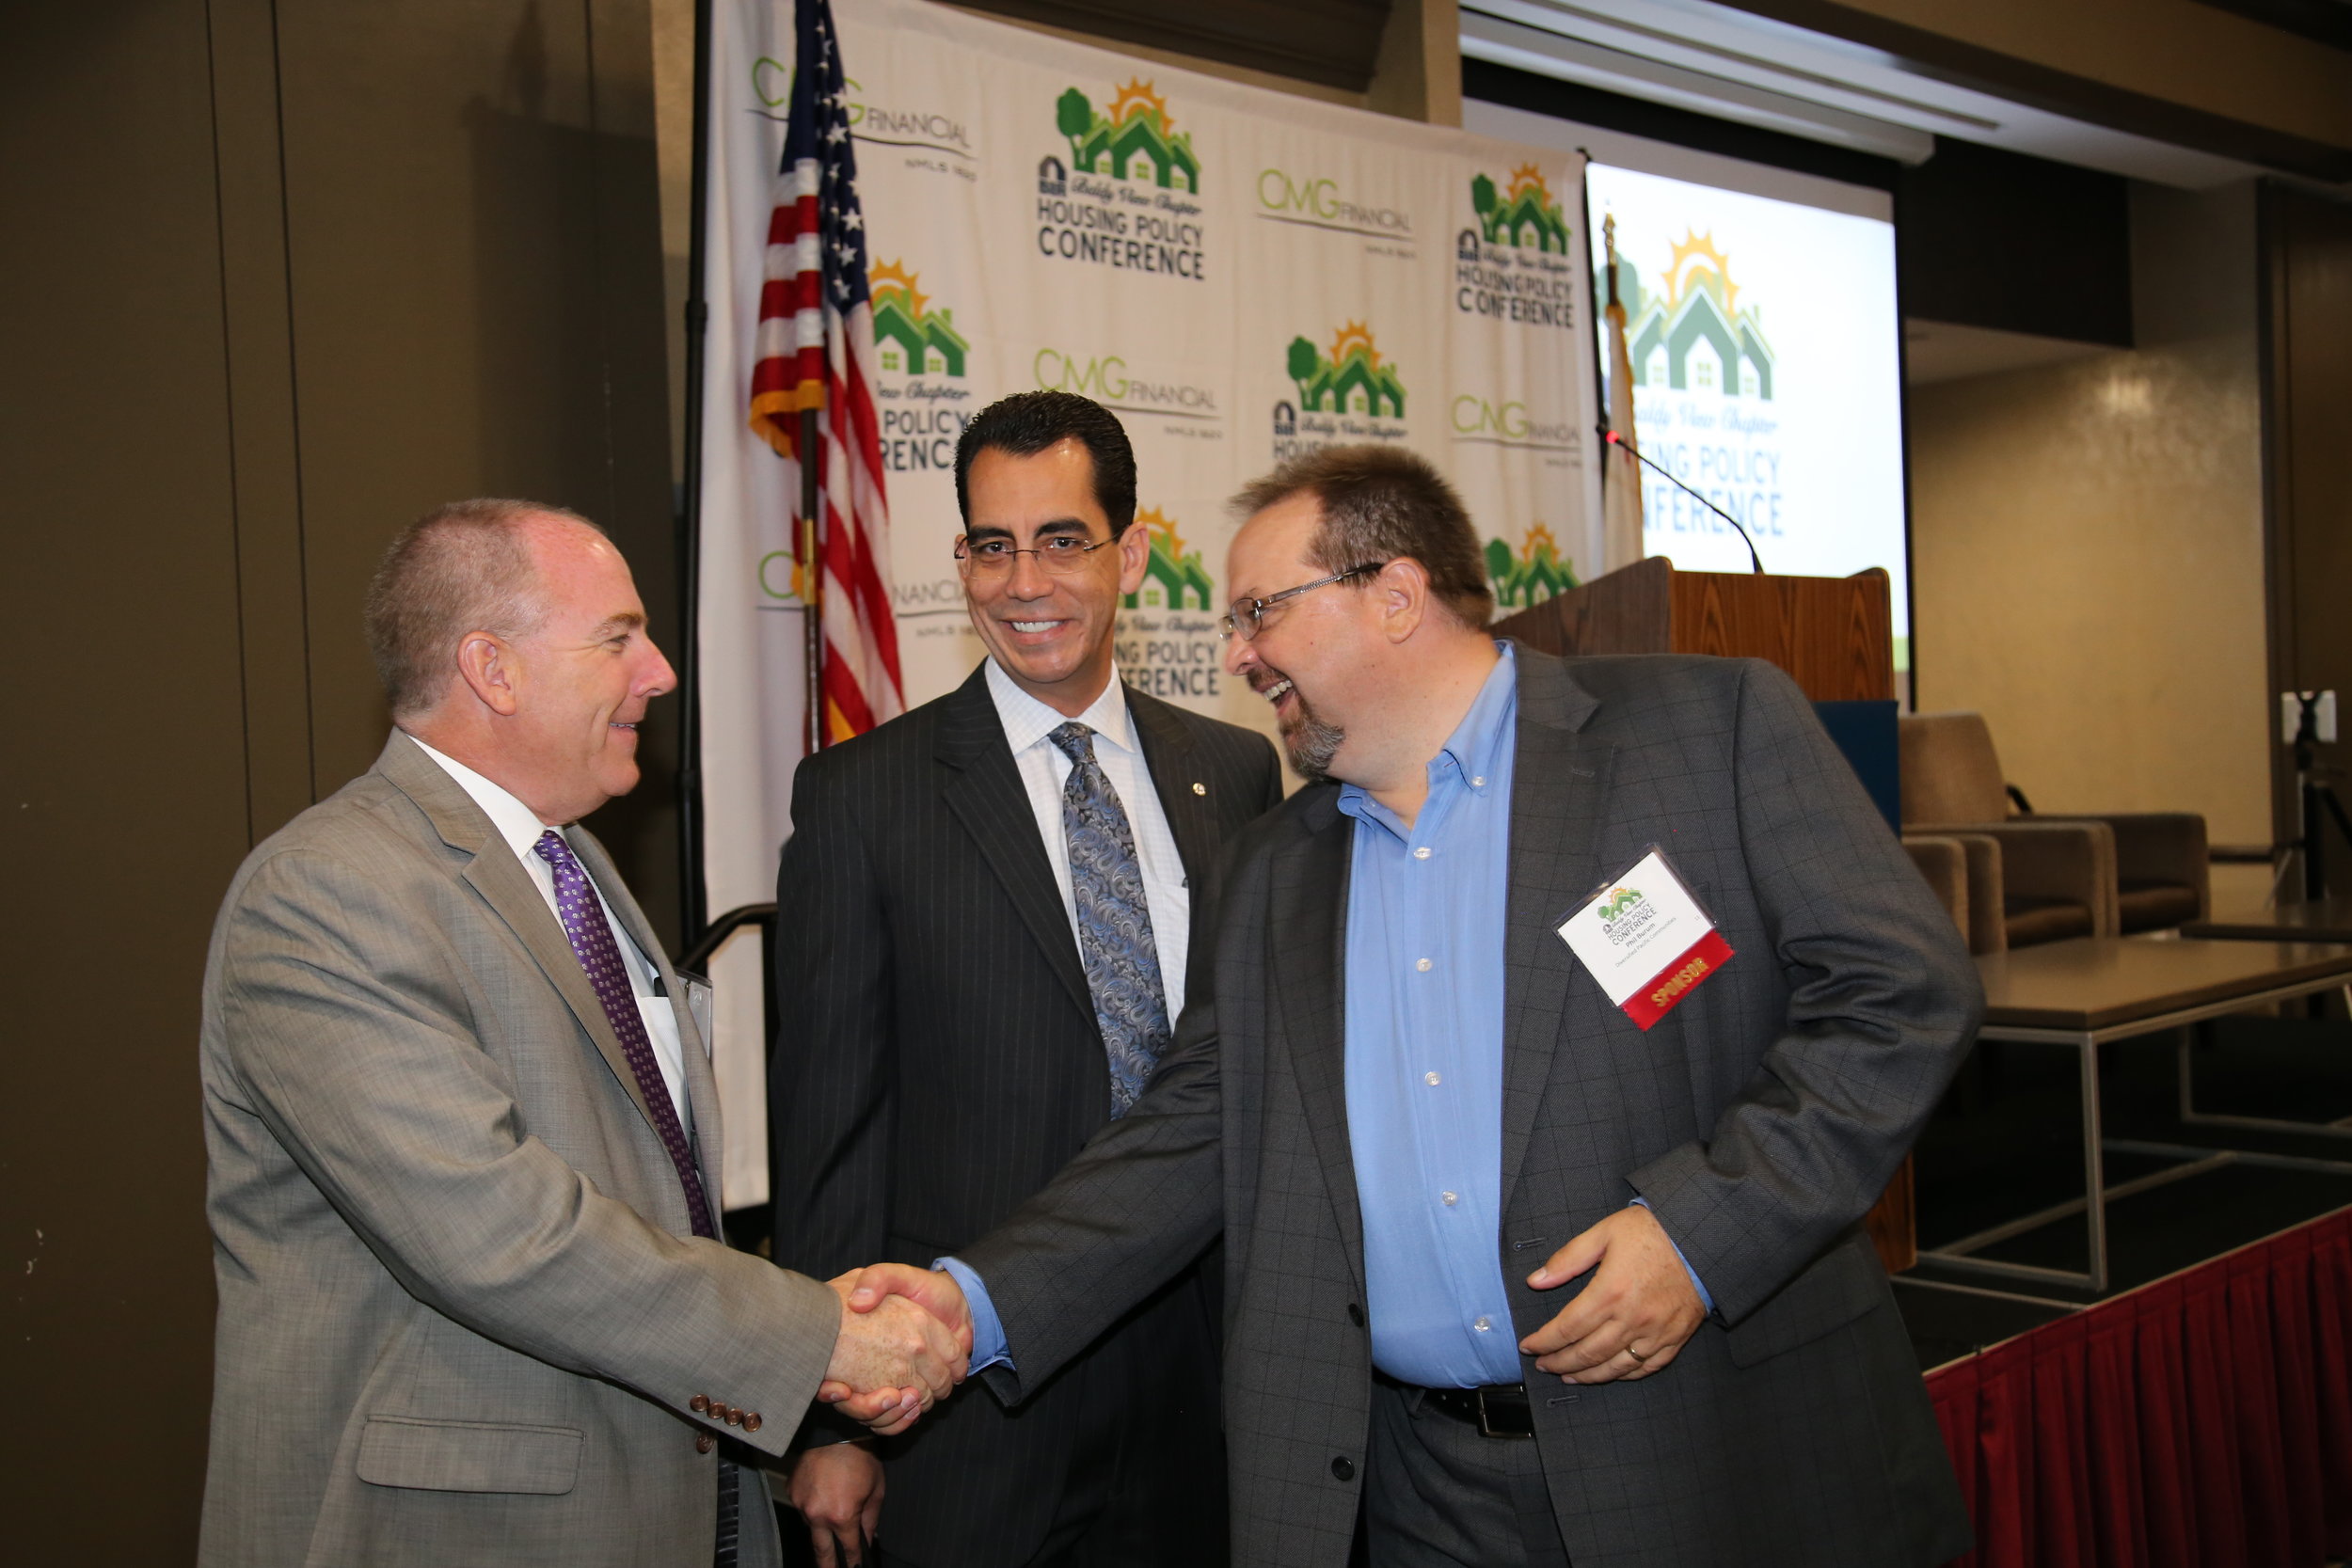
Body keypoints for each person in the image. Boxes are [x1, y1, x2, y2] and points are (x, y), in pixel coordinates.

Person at [853, 445, 1982, 1566]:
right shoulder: (1267, 876)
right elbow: (1184, 1135)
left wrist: (1699, 1231)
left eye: (1258, 612)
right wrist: (970, 1305)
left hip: (1716, 1452)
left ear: (1394, 594)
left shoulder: (1705, 734)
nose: (1237, 654)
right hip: (1420, 1495)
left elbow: (1900, 993)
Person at [197, 500, 966, 1568]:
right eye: (618, 637)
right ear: (492, 669)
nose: (658, 671)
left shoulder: (575, 863)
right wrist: (817, 1333)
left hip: (669, 1495)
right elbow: (499, 1232)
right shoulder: (329, 891)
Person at [771, 391, 1283, 1568]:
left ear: (1132, 551)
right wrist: (829, 1414)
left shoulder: (1237, 771)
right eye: (990, 547)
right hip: (964, 1398)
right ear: (959, 559)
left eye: (1061, 539)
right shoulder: (862, 798)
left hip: (1205, 1378)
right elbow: (831, 1131)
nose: (1023, 580)